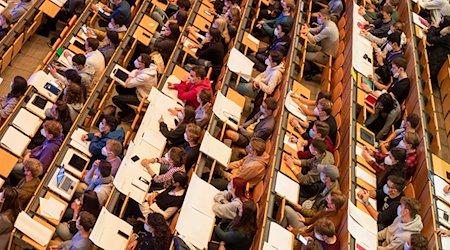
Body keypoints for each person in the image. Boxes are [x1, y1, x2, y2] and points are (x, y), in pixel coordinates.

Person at [113, 54, 158, 121]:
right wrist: (135, 74)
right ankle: (126, 103)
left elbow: (128, 84)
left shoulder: (145, 76)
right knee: (119, 88)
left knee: (115, 99)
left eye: (138, 60)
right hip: (140, 91)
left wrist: (132, 76)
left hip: (142, 98)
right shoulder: (149, 68)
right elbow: (136, 73)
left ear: (143, 64)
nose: (136, 61)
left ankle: (130, 114)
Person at [301, 8, 339, 80]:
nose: (317, 17)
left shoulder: (328, 29)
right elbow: (317, 30)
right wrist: (308, 29)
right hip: (324, 49)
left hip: (327, 56)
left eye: (319, 16)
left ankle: (313, 69)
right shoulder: (328, 23)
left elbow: (314, 40)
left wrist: (307, 32)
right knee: (307, 47)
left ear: (324, 17)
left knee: (304, 55)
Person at [425, 16, 450, 87]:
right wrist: (430, 30)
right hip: (436, 53)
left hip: (436, 60)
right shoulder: (446, 32)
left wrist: (433, 27)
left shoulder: (448, 38)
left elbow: (430, 39)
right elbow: (437, 34)